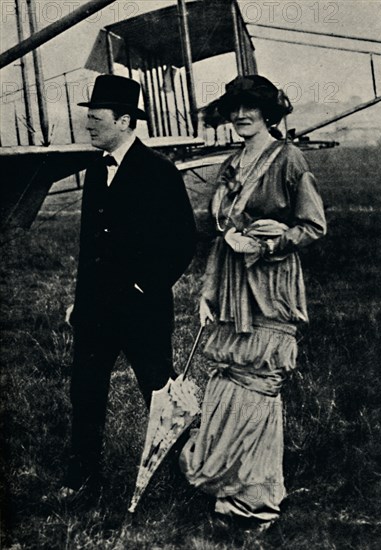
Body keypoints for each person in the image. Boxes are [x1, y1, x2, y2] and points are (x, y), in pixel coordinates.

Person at [180, 75, 326, 531]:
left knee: (259, 382)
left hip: (269, 283)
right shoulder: (231, 163)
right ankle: (230, 486)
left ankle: (257, 499)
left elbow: (313, 225)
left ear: (268, 112)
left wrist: (264, 247)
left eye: (250, 107)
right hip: (229, 285)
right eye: (234, 108)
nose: (240, 115)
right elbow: (220, 240)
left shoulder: (288, 159)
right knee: (230, 378)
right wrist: (207, 292)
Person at [62, 74, 196, 496]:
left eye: (96, 118)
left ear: (124, 120)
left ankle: (188, 475)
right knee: (85, 392)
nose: (88, 124)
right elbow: (90, 247)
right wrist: (79, 302)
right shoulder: (96, 171)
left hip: (143, 312)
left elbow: (183, 242)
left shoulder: (159, 172)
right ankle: (83, 478)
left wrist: (144, 287)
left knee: (159, 393)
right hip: (95, 312)